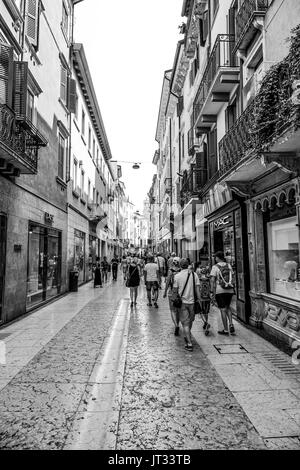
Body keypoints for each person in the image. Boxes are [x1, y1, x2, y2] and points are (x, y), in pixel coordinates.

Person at [173, 258, 201, 352]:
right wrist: (200, 300)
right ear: (188, 264)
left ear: (180, 266)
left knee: (185, 323)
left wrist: (173, 299)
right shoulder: (194, 274)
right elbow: (197, 290)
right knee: (190, 321)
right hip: (192, 302)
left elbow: (175, 291)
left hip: (182, 303)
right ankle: (188, 337)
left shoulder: (177, 276)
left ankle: (189, 343)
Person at [210, 251, 235, 335]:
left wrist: (212, 292)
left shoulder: (215, 267)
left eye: (215, 257)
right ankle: (231, 324)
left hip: (220, 290)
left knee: (222, 309)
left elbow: (213, 281)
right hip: (230, 289)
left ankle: (225, 329)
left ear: (218, 257)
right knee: (228, 307)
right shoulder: (228, 265)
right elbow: (232, 276)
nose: (215, 258)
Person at [163, 257, 181, 335]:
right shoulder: (181, 270)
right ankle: (178, 323)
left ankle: (176, 325)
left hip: (172, 291)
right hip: (180, 292)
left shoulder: (170, 271)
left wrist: (165, 292)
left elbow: (167, 282)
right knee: (178, 310)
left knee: (172, 310)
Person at [196, 263, 211, 335]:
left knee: (201, 311)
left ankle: (206, 322)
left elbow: (197, 289)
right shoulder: (209, 279)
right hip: (207, 297)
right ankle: (206, 323)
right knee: (206, 312)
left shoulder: (199, 279)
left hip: (201, 298)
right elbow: (211, 288)